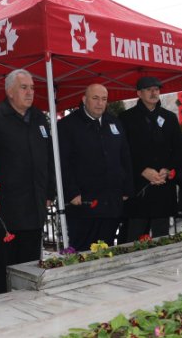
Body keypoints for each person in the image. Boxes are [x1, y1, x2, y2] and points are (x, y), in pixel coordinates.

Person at [0, 69, 55, 295]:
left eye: (32, 88)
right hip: (4, 210)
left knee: (30, 270)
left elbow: (49, 158)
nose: (30, 92)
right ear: (10, 91)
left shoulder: (38, 118)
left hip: (33, 208)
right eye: (24, 87)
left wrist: (49, 193)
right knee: (2, 272)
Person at [58, 83, 132, 251]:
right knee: (84, 251)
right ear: (84, 99)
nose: (100, 103)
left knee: (106, 251)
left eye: (104, 99)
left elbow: (125, 157)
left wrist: (126, 188)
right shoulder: (67, 126)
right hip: (83, 204)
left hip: (111, 203)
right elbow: (63, 162)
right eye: (95, 98)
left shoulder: (114, 123)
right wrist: (71, 191)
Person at [118, 76, 182, 243]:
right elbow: (123, 153)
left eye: (156, 89)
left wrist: (167, 170)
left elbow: (178, 150)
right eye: (149, 89)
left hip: (163, 187)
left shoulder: (169, 118)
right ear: (139, 93)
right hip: (139, 190)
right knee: (134, 239)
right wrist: (142, 170)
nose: (154, 92)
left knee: (162, 240)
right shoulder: (126, 118)